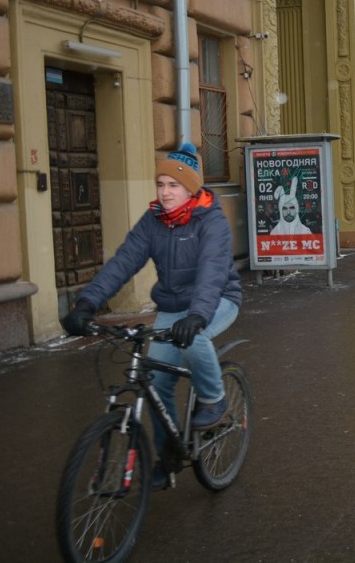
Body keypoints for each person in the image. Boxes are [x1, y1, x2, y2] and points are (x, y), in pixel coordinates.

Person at [60, 143, 242, 489]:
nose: (165, 192)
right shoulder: (153, 220)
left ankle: (214, 400)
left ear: (191, 188)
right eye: (160, 184)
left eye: (173, 185)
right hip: (174, 307)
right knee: (156, 381)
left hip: (216, 300)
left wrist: (198, 315)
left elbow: (211, 272)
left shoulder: (212, 221)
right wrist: (87, 303)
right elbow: (123, 262)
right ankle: (168, 455)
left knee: (195, 339)